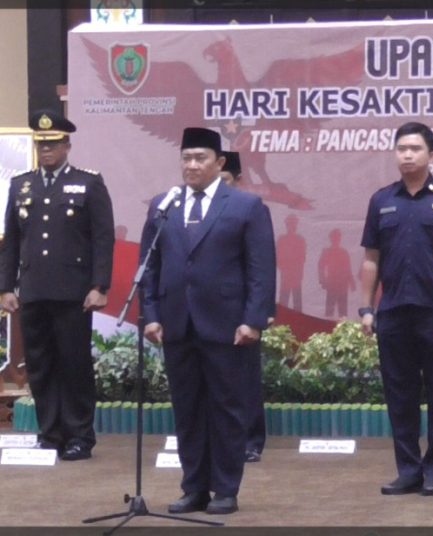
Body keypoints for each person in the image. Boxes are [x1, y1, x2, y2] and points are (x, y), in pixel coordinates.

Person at [140, 127, 275, 514]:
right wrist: (150, 315)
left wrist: (253, 320)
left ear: (218, 163)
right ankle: (194, 487)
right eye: (186, 158)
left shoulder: (245, 206)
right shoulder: (163, 204)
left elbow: (261, 269)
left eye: (200, 158)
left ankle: (226, 489)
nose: (192, 165)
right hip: (177, 324)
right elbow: (150, 267)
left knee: (227, 409)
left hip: (228, 326)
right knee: (187, 409)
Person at [360, 121, 433, 496]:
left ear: (431, 155)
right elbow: (371, 259)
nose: (407, 155)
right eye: (401, 149)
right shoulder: (382, 200)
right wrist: (366, 307)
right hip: (393, 310)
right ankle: (408, 469)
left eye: (415, 149)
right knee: (399, 393)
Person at [0, 109, 114, 461]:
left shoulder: (88, 183)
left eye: (52, 145)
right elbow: (12, 243)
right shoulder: (22, 184)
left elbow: (102, 238)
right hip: (33, 290)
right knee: (40, 365)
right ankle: (50, 433)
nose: (46, 151)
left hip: (73, 292)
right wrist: (6, 288)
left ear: (66, 146)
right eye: (41, 145)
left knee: (74, 364)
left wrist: (99, 285)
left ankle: (79, 435)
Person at [221, 150, 268, 463]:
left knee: (244, 377)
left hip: (239, 306)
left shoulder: (248, 209)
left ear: (238, 180)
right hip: (205, 307)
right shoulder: (190, 208)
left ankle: (251, 439)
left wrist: (255, 313)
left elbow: (259, 266)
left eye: (225, 180)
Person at [318, 228, 356, 317]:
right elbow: (320, 266)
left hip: (343, 285)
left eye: (337, 237)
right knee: (329, 313)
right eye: (334, 237)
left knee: (343, 313)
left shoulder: (344, 252)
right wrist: (322, 280)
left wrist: (352, 282)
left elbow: (348, 269)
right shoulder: (327, 252)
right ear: (331, 238)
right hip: (332, 284)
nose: (336, 239)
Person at [276, 214, 306, 311]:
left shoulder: (300, 240)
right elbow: (278, 256)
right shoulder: (282, 240)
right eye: (290, 224)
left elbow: (302, 257)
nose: (292, 226)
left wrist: (299, 272)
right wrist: (283, 269)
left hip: (296, 275)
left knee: (297, 302)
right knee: (283, 302)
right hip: (286, 275)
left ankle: (300, 323)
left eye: (293, 224)